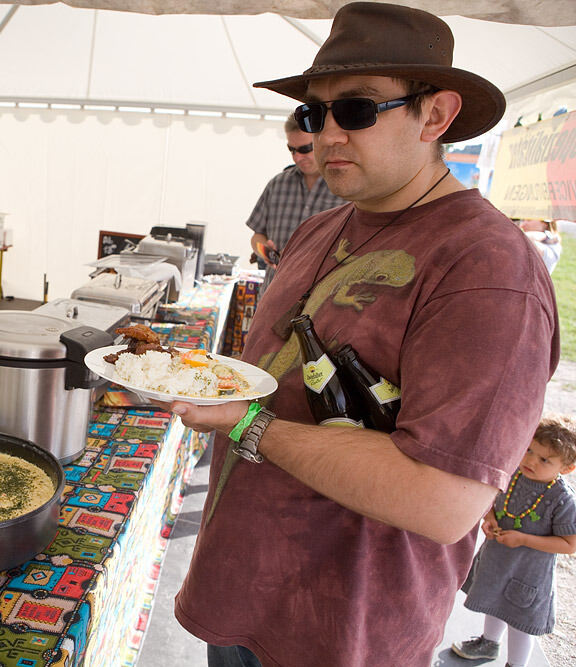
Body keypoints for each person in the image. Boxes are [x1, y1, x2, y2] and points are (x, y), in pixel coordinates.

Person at [164, 4, 560, 666]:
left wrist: (246, 425)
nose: (325, 135)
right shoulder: (322, 227)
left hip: (341, 636)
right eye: (315, 115)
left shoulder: (489, 269)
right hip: (237, 597)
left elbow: (443, 499)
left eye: (356, 110)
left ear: (435, 116)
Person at [451, 414, 576, 667]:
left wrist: (524, 539)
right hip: (498, 560)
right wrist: (490, 517)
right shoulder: (513, 473)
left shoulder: (562, 500)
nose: (530, 460)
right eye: (529, 450)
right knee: (493, 602)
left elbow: (570, 544)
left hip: (529, 572)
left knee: (520, 620)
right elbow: (491, 497)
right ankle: (488, 643)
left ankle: (516, 664)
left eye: (544, 459)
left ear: (566, 468)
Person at [246, 112, 345, 292]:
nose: (297, 157)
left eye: (305, 149)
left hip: (321, 299)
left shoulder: (346, 188)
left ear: (322, 141)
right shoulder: (277, 184)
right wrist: (265, 252)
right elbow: (257, 235)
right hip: (274, 294)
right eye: (292, 150)